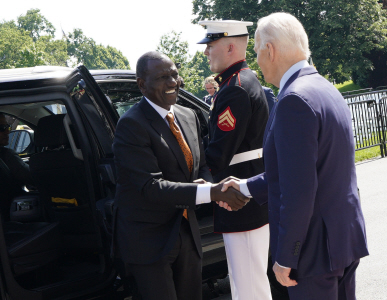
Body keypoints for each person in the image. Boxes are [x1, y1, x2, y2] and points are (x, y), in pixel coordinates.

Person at [221, 12, 369, 300]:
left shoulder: (293, 100)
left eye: (256, 52)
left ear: (270, 50)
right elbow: (301, 172)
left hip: (314, 254)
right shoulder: (324, 88)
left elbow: (298, 189)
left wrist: (287, 256)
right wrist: (245, 186)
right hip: (341, 241)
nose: (257, 62)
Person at [112, 51, 249, 300]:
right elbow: (151, 186)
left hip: (187, 232)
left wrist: (210, 186)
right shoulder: (132, 125)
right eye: (163, 77)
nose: (174, 82)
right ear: (142, 84)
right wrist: (211, 192)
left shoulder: (188, 115)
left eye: (174, 74)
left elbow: (203, 165)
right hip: (149, 241)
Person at [198, 20, 271, 300]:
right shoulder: (240, 81)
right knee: (247, 283)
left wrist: (193, 177)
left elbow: (218, 153)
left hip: (240, 200)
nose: (206, 52)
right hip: (245, 197)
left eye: (210, 45)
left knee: (249, 288)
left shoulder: (234, 88)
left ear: (230, 46)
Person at [0, 113, 34, 219]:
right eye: (2, 128)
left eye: (8, 127)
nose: (8, 131)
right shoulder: (6, 155)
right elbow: (31, 178)